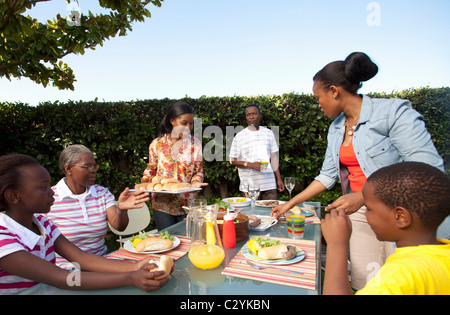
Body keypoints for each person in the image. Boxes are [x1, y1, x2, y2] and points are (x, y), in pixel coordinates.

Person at [271, 52, 445, 290]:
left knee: (407, 278)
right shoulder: (335, 129)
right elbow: (327, 176)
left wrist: (362, 196)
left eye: (318, 97)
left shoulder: (392, 113)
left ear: (334, 91)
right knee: (365, 281)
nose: (318, 104)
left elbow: (428, 169)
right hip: (360, 213)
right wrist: (290, 204)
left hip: (399, 212)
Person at [0, 154, 171, 295]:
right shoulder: (3, 235)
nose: (51, 191)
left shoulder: (42, 223)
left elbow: (83, 259)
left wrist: (135, 266)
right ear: (13, 196)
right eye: (43, 187)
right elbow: (61, 278)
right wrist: (130, 278)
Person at [321, 162, 450, 295]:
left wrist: (336, 244)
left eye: (369, 209)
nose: (365, 214)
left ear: (400, 217)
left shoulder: (398, 276)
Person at [46, 144, 150, 268]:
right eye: (87, 166)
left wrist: (121, 210)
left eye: (94, 165)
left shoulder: (101, 193)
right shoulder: (50, 199)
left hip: (103, 263)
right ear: (68, 169)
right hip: (67, 270)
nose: (94, 170)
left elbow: (119, 226)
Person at [141, 101, 207, 230]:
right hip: (162, 204)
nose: (188, 127)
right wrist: (142, 185)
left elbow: (198, 171)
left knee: (187, 240)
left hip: (187, 202)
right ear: (172, 120)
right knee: (169, 240)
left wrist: (196, 182)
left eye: (191, 123)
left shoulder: (195, 144)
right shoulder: (157, 144)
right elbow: (151, 169)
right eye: (184, 123)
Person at [229, 105, 284, 200]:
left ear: (260, 115)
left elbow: (274, 157)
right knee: (250, 214)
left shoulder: (268, 133)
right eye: (248, 115)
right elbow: (232, 160)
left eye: (254, 113)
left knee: (271, 212)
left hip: (269, 184)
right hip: (249, 187)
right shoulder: (239, 136)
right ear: (246, 117)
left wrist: (278, 179)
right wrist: (250, 165)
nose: (251, 117)